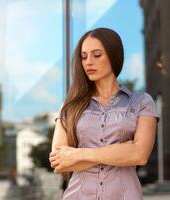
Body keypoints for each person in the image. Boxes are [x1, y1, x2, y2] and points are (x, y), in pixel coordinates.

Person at [49, 27, 159, 200]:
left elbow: (140, 155)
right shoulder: (70, 106)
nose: (88, 62)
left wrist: (78, 154)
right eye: (84, 57)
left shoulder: (142, 102)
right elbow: (59, 162)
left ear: (113, 56)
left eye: (97, 55)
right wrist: (122, 152)